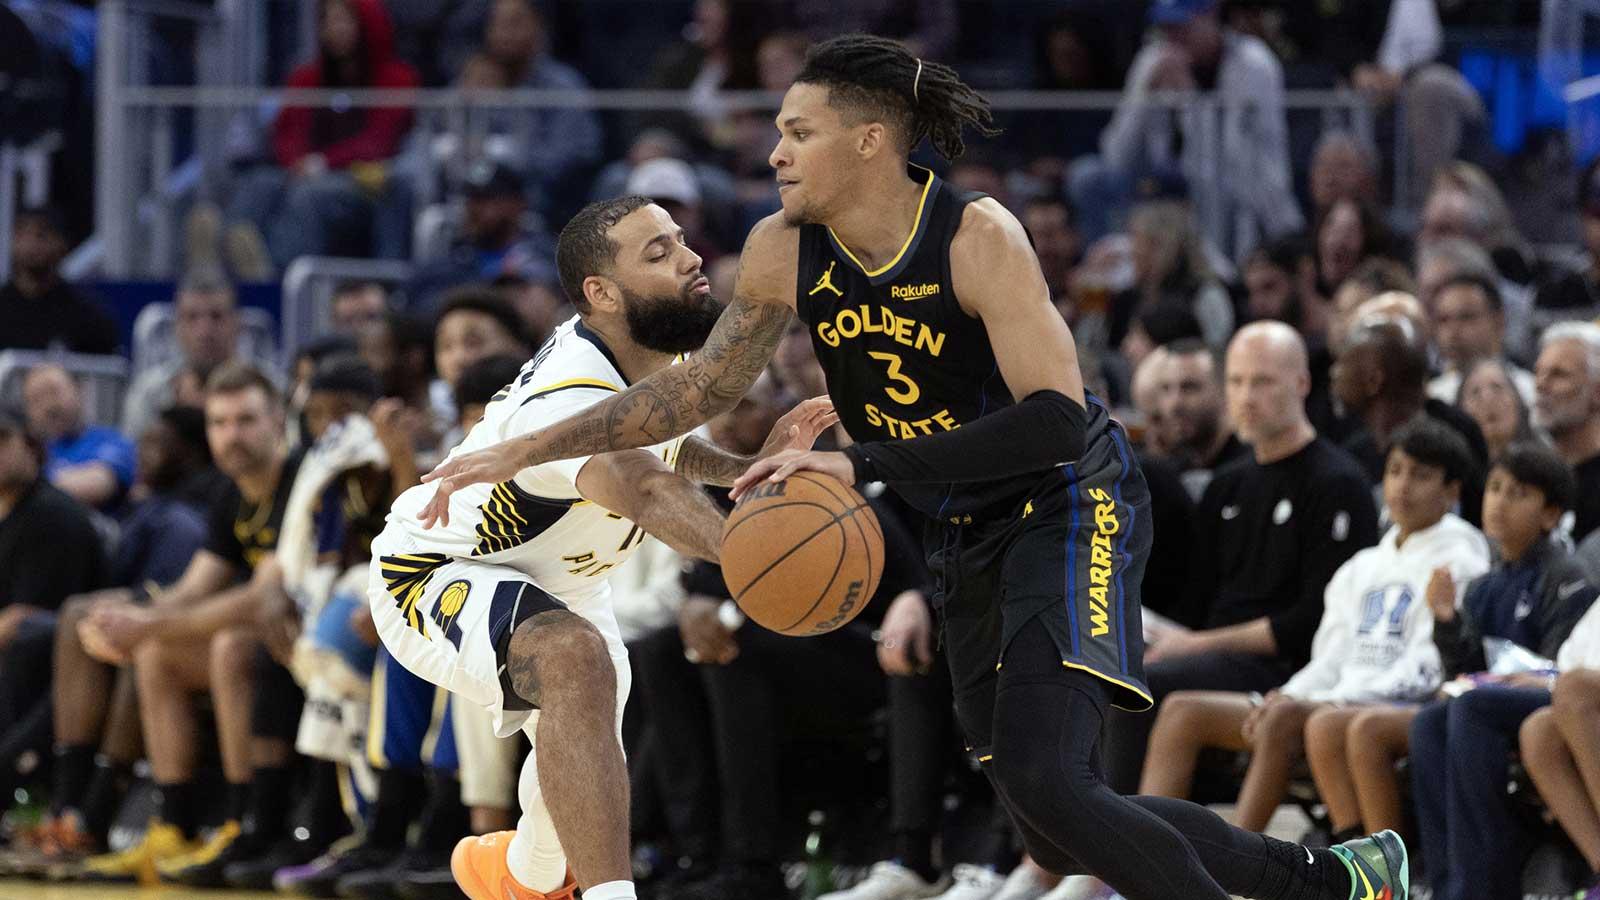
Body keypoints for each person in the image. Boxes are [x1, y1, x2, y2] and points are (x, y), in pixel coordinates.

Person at [419, 35, 1408, 900]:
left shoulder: (979, 239)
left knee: (1057, 782)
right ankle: (1340, 880)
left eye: (797, 132)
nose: (772, 152)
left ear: (867, 140)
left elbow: (1057, 422)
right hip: (961, 525)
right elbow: (696, 390)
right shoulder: (782, 250)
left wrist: (863, 462)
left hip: (1069, 502)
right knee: (1046, 824)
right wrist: (532, 440)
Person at [372, 196, 838, 900]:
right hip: (439, 569)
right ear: (602, 292)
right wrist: (754, 551)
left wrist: (742, 472)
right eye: (657, 254)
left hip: (564, 583)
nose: (688, 259)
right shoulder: (569, 394)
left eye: (681, 241)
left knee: (554, 841)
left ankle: (517, 874)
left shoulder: (652, 350)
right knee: (574, 657)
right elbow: (644, 488)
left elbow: (668, 448)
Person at [1139, 419, 1489, 833]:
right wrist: (1288, 693)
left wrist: (1329, 700)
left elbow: (1429, 666)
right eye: (1395, 471)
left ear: (1452, 492)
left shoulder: (1463, 561)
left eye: (1421, 475)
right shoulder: (1362, 566)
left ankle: (1237, 872)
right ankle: (1145, 873)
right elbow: (1331, 656)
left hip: (1393, 705)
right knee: (1183, 711)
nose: (1403, 486)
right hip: (1333, 697)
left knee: (1285, 720)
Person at [1407, 443, 1598, 900]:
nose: (1498, 502)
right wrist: (1448, 620)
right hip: (1502, 697)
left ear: (1551, 514)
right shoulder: (1486, 584)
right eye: (1493, 489)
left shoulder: (1563, 573)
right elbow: (1466, 670)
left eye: (1517, 493)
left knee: (1473, 708)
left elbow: (1564, 663)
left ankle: (1480, 885)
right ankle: (1442, 879)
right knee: (1430, 720)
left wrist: (1529, 678)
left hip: (1546, 691)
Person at [0, 406, 108, 805]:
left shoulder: (51, 514)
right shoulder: (9, 514)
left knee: (25, 642)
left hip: (66, 660)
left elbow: (28, 617)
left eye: (2, 441)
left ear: (31, 446)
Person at [122, 272, 247, 440]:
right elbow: (137, 461)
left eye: (216, 316)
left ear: (237, 324)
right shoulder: (148, 394)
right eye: (191, 317)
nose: (204, 331)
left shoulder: (267, 389)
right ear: (177, 327)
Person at [0, 206, 118, 354]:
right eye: (21, 234)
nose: (29, 245)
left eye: (41, 235)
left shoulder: (88, 317)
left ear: (61, 244)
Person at [22, 363, 137, 512]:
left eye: (53, 392)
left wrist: (22, 487)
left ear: (78, 389)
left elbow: (98, 485)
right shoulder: (30, 453)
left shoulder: (112, 441)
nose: (48, 406)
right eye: (36, 400)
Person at [1531, 322, 1600, 542]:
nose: (1541, 384)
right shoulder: (1528, 475)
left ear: (1597, 392)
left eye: (1558, 374)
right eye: (1539, 372)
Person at [1424, 272, 1534, 406]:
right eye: (1443, 320)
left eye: (1466, 317)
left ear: (1498, 322)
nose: (1453, 329)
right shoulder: (1430, 398)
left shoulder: (1530, 392)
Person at [1456, 358, 1534, 462]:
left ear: (1517, 400)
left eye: (1497, 387)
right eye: (1475, 392)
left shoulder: (1545, 461)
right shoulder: (1453, 469)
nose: (1488, 399)